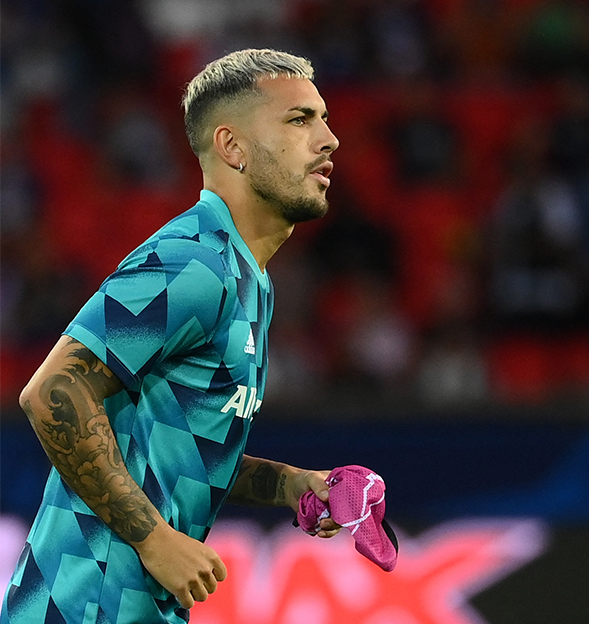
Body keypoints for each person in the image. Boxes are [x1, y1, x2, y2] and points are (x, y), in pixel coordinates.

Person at [2, 48, 343, 623]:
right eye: (299, 119)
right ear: (232, 147)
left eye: (324, 118)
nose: (329, 139)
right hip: (81, 609)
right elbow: (53, 391)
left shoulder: (248, 277)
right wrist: (155, 539)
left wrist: (290, 484)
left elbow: (178, 452)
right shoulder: (193, 263)